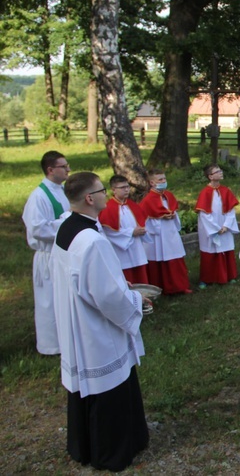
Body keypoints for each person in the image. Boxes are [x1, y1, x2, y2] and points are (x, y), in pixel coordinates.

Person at [51, 172, 149, 471]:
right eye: (102, 190)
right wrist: (136, 301)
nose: (107, 194)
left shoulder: (66, 228)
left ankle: (84, 446)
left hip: (74, 322)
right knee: (109, 387)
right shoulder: (92, 241)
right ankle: (112, 452)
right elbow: (107, 297)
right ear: (90, 198)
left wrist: (123, 286)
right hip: (96, 330)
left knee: (86, 389)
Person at [21, 150, 71, 355]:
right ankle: (51, 345)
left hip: (62, 252)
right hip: (48, 255)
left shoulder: (62, 189)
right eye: (64, 166)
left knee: (65, 298)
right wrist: (67, 222)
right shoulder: (39, 196)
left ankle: (67, 339)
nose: (68, 169)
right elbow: (37, 229)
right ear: (51, 170)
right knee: (49, 300)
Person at [139, 169, 192, 295]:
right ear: (152, 182)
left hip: (171, 232)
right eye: (160, 180)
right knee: (161, 260)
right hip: (158, 235)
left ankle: (180, 286)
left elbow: (173, 210)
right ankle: (163, 287)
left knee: (176, 258)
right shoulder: (147, 200)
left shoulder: (168, 195)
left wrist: (173, 215)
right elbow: (144, 219)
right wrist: (159, 218)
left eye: (164, 179)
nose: (163, 181)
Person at [98, 175, 151, 284]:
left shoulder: (132, 205)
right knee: (127, 275)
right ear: (113, 190)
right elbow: (108, 231)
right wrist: (131, 232)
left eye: (127, 187)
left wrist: (142, 230)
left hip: (136, 246)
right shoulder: (108, 208)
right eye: (122, 187)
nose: (126, 190)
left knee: (140, 273)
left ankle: (144, 298)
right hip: (121, 249)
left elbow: (141, 220)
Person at [195, 164, 240, 288]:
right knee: (210, 250)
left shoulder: (225, 190)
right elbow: (204, 214)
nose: (221, 172)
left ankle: (229, 275)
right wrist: (215, 228)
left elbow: (231, 210)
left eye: (220, 170)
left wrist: (226, 226)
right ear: (210, 176)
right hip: (210, 227)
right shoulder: (205, 193)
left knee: (226, 248)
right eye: (217, 171)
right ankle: (207, 278)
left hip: (224, 226)